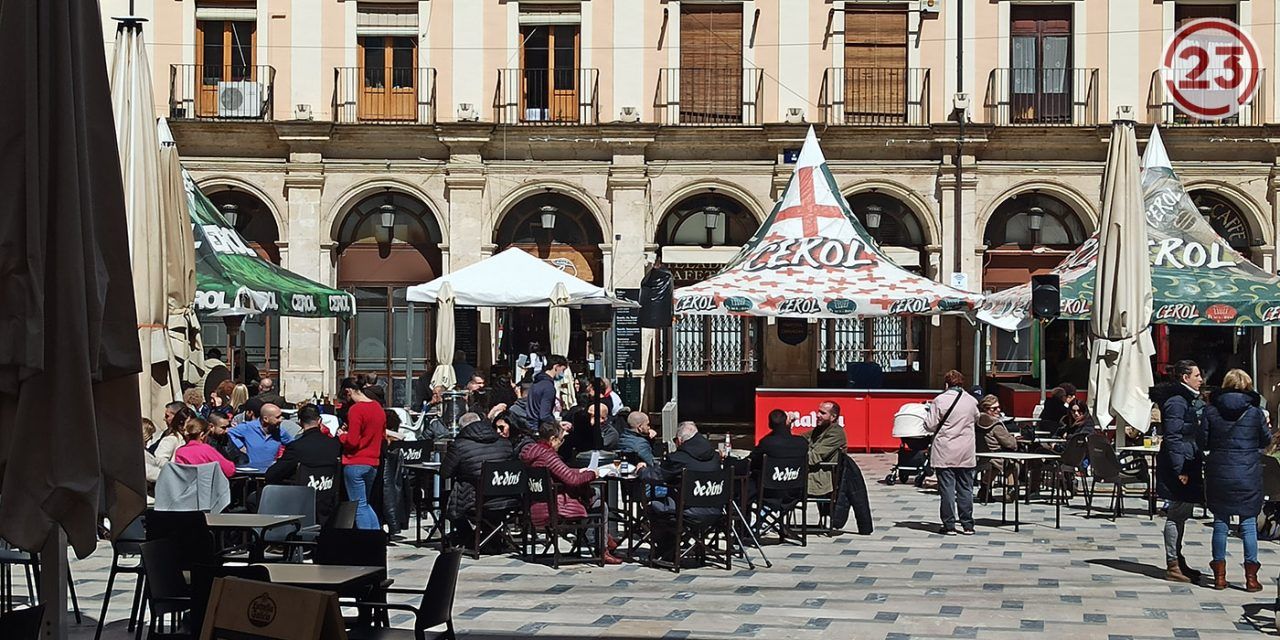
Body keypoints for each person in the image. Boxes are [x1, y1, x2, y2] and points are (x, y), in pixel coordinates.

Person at [1200, 368, 1271, 591]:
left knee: (1220, 524)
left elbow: (1203, 442)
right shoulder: (1255, 412)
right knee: (1248, 524)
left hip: (1219, 472)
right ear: (1248, 386)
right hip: (1247, 472)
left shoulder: (1211, 411)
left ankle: (1220, 577)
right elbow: (1265, 441)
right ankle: (1251, 579)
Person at [520, 421, 621, 564]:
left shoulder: (532, 455)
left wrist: (579, 471)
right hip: (557, 507)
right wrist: (593, 474)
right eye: (561, 440)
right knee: (598, 499)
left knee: (594, 497)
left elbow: (561, 473)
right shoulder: (548, 456)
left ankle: (603, 540)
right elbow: (572, 480)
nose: (562, 443)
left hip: (538, 505)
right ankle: (602, 547)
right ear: (553, 439)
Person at [1150, 359, 1206, 584]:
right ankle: (1173, 564)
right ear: (1185, 378)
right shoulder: (1177, 402)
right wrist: (1179, 467)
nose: (1201, 379)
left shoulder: (1186, 400)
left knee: (1182, 514)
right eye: (1197, 375)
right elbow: (1173, 437)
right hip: (1180, 465)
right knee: (1176, 514)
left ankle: (1178, 561)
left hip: (1187, 461)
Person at [638, 421, 722, 558]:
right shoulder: (715, 456)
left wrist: (642, 470)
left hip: (688, 511)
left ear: (680, 440)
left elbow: (656, 475)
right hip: (716, 510)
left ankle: (667, 550)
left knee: (655, 505)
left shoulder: (680, 458)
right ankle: (675, 548)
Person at [441, 413, 517, 543]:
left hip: (475, 502)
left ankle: (468, 537)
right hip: (508, 499)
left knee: (448, 496)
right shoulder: (505, 443)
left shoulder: (459, 445)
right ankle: (490, 538)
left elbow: (445, 473)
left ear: (463, 428)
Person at [925, 370, 980, 535]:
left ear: (946, 384)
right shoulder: (971, 401)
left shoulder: (940, 400)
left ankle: (949, 525)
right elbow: (976, 418)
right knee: (966, 488)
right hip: (966, 450)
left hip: (945, 449)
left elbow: (929, 425)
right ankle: (967, 524)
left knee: (947, 488)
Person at [338, 380, 386, 530]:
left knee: (358, 506)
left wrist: (341, 435)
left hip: (355, 462)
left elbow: (352, 441)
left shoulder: (356, 410)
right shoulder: (378, 408)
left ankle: (366, 542)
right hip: (373, 462)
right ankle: (376, 539)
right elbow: (382, 435)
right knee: (365, 504)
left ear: (349, 392)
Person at [265, 405, 341, 485]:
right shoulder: (334, 444)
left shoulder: (296, 447)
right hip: (328, 492)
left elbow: (271, 475)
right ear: (319, 421)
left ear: (300, 422)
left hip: (303, 495)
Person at [975, 395, 1017, 502]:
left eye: (998, 407)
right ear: (986, 409)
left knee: (997, 465)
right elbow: (1010, 443)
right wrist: (1015, 439)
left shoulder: (976, 421)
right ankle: (1010, 490)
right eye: (994, 408)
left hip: (981, 456)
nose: (998, 410)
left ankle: (984, 489)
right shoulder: (995, 425)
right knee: (1013, 463)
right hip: (997, 456)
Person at [227, 402, 292, 469]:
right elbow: (229, 433)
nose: (281, 419)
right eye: (277, 417)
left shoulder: (280, 432)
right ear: (265, 419)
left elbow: (293, 445)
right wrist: (240, 446)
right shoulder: (248, 427)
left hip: (270, 472)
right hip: (250, 472)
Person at [804, 401, 846, 501]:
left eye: (823, 413)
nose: (818, 415)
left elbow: (813, 457)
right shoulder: (820, 429)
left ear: (833, 417)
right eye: (818, 412)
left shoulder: (836, 433)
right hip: (810, 474)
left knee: (780, 486)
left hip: (820, 480)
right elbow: (800, 439)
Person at [172, 416, 236, 478]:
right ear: (202, 435)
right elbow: (229, 470)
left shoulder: (180, 451)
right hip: (206, 486)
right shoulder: (207, 449)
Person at [530, 355, 568, 427]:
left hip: (531, 426)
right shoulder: (548, 387)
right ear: (556, 367)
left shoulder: (536, 383)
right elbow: (544, 415)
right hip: (539, 428)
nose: (563, 373)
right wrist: (557, 424)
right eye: (563, 370)